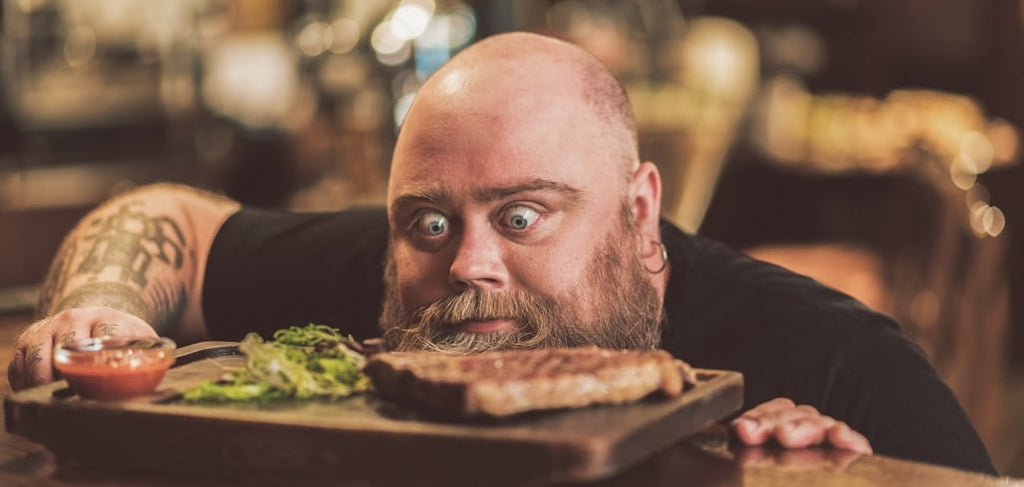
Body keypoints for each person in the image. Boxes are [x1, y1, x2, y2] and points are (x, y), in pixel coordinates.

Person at [8, 32, 995, 475]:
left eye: (523, 216)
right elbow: (166, 217)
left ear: (638, 214)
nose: (469, 264)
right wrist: (104, 304)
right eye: (430, 222)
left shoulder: (843, 372)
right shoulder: (409, 281)